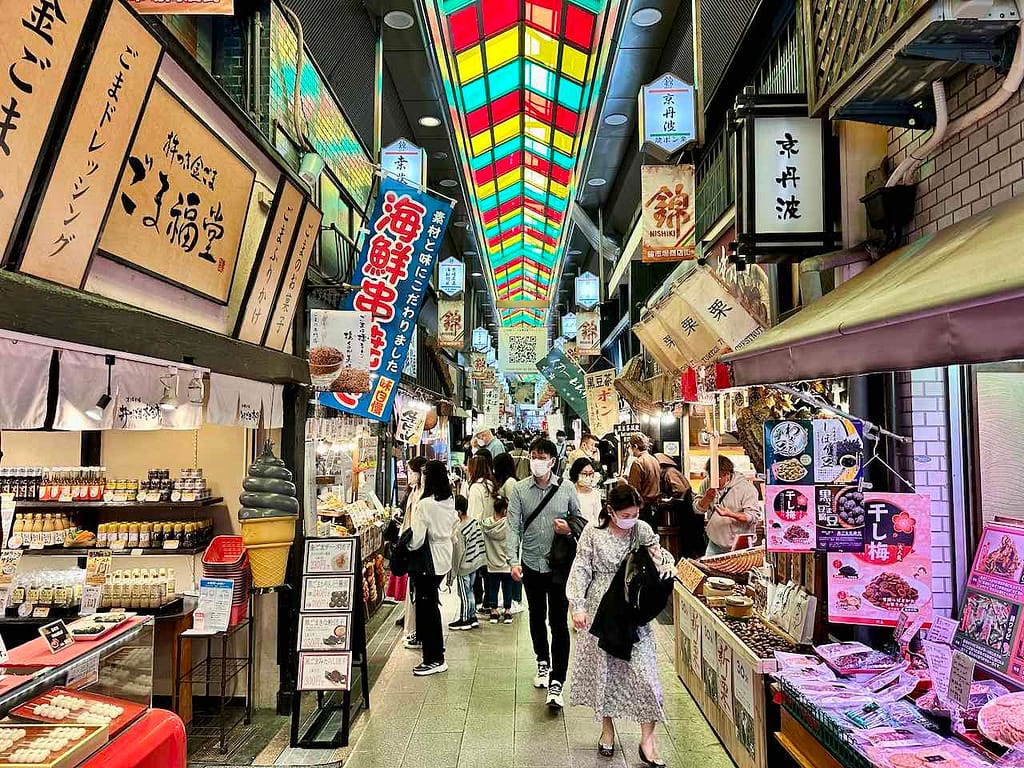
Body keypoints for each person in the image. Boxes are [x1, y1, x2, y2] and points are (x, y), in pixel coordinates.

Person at [567, 485, 675, 768]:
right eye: (625, 514)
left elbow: (662, 562)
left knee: (646, 676)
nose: (631, 518)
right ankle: (607, 729)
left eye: (635, 513)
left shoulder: (641, 530)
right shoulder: (593, 532)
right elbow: (580, 568)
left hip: (632, 610)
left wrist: (659, 561)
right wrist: (577, 605)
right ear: (610, 511)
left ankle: (647, 741)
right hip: (600, 610)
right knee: (605, 674)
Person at [507, 437, 581, 709]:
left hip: (559, 566)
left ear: (552, 461)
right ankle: (542, 661)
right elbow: (513, 526)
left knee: (558, 622)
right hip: (530, 563)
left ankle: (557, 681)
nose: (537, 460)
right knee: (537, 616)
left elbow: (579, 522)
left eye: (542, 456)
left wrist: (569, 529)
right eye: (533, 455)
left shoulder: (567, 488)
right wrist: (512, 560)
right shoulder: (519, 489)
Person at [408, 460, 458, 676]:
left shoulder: (425, 504)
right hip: (443, 556)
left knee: (427, 609)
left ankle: (434, 658)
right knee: (430, 606)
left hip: (428, 562)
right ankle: (435, 654)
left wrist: (404, 544)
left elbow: (416, 540)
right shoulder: (449, 499)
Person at [694, 455, 761, 556]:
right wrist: (707, 498)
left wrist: (730, 514)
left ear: (727, 474)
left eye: (719, 477)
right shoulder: (706, 483)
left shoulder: (746, 488)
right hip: (714, 542)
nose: (715, 481)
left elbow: (752, 517)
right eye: (712, 477)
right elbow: (697, 510)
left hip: (739, 544)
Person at [397, 456, 427, 648]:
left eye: (410, 471)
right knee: (413, 592)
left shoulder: (424, 496)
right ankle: (413, 629)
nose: (408, 475)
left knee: (419, 594)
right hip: (410, 546)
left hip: (418, 549)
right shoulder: (414, 492)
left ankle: (418, 632)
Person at [493, 451, 524, 614]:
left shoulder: (511, 482)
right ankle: (511, 597)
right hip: (508, 527)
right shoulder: (507, 481)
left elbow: (514, 508)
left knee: (514, 563)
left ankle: (516, 599)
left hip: (513, 528)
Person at [450, 494, 486, 631]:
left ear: (458, 512)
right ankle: (472, 617)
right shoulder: (474, 522)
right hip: (474, 563)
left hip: (464, 566)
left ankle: (465, 619)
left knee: (464, 594)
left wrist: (454, 571)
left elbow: (458, 554)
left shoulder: (460, 530)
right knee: (470, 591)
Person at [466, 455, 497, 613]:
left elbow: (474, 514)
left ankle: (479, 599)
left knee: (476, 569)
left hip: (478, 532)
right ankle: (490, 601)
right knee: (488, 570)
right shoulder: (491, 485)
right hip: (491, 530)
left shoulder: (476, 488)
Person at [480, 496, 515, 624]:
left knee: (492, 588)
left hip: (491, 564)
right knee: (507, 588)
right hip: (506, 564)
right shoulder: (509, 524)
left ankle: (493, 611)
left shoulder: (486, 524)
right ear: (505, 510)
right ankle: (507, 611)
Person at [626, 435, 662, 526]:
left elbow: (633, 489)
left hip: (643, 508)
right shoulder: (654, 460)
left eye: (630, 447)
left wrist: (624, 483)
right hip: (655, 507)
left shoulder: (638, 462)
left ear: (635, 446)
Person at [569, 457, 602, 526]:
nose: (588, 477)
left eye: (590, 474)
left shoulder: (595, 494)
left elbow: (598, 518)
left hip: (590, 530)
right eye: (584, 474)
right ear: (576, 474)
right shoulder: (569, 492)